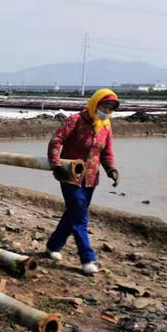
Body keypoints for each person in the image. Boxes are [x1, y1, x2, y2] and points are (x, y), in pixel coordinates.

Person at [46, 88, 121, 275]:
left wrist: (111, 169)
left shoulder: (106, 127)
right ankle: (87, 258)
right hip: (70, 175)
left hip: (90, 178)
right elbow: (56, 141)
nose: (107, 110)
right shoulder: (76, 120)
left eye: (111, 108)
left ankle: (53, 246)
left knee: (73, 214)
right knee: (80, 217)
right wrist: (56, 163)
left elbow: (106, 152)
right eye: (105, 105)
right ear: (95, 103)